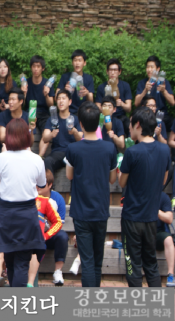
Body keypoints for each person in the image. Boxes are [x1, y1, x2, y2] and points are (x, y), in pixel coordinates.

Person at [65, 102, 118, 287]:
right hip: (101, 210)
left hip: (81, 211)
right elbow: (112, 179)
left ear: (80, 123)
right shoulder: (109, 148)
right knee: (97, 261)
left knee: (87, 261)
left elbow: (69, 176)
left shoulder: (73, 149)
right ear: (99, 123)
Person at [0, 118, 47, 287]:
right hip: (27, 214)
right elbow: (42, 184)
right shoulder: (36, 159)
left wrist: (2, 154)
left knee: (10, 259)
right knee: (22, 262)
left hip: (8, 214)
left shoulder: (3, 157)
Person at [119, 106, 171, 287]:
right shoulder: (164, 150)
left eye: (131, 124)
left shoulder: (132, 152)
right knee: (151, 264)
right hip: (151, 218)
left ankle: (136, 303)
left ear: (138, 125)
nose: (129, 128)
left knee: (132, 265)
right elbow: (163, 180)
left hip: (132, 217)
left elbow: (122, 183)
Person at [26, 178, 62, 288]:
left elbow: (58, 222)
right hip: (18, 239)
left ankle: (30, 284)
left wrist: (45, 236)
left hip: (36, 241)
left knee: (36, 247)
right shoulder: (15, 199)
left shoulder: (43, 201)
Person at [36, 169, 69, 286]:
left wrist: (46, 234)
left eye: (42, 184)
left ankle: (58, 272)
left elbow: (59, 224)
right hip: (34, 234)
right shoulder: (32, 196)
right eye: (36, 183)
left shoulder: (57, 199)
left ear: (50, 185)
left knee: (63, 236)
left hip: (49, 235)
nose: (38, 187)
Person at [42, 89, 83, 173]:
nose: (61, 101)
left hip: (72, 152)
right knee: (48, 161)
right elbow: (45, 138)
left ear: (70, 102)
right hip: (57, 152)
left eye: (63, 98)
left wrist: (74, 132)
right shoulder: (52, 119)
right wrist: (52, 134)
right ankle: (50, 182)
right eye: (59, 99)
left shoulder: (75, 119)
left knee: (81, 161)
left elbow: (80, 139)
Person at [25, 55, 55, 157]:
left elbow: (51, 104)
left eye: (38, 66)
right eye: (34, 66)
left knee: (46, 134)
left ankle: (40, 157)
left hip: (44, 113)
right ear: (31, 67)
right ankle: (28, 156)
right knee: (26, 131)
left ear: (43, 68)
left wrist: (46, 94)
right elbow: (22, 104)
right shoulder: (26, 83)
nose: (36, 69)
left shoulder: (47, 84)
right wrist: (24, 93)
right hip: (29, 112)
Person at [135, 55, 174, 131]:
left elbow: (172, 102)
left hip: (161, 115)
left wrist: (163, 91)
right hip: (146, 114)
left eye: (152, 67)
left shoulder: (164, 82)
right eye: (147, 67)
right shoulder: (142, 83)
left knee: (172, 122)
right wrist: (145, 90)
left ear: (158, 69)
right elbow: (136, 103)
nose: (149, 70)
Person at [95, 58, 132, 136]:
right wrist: (105, 108)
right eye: (110, 70)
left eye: (115, 70)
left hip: (120, 116)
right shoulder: (101, 87)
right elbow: (97, 105)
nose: (112, 72)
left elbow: (129, 108)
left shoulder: (125, 86)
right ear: (107, 71)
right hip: (105, 116)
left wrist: (121, 104)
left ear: (119, 72)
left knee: (128, 124)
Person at [56, 50, 94, 114]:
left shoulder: (88, 78)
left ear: (84, 63)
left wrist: (87, 93)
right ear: (72, 62)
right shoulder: (65, 77)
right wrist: (64, 90)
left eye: (79, 60)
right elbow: (56, 97)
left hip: (83, 112)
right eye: (75, 60)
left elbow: (91, 101)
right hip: (67, 111)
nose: (77, 63)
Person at [155, 192, 175, 287]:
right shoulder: (140, 194)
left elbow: (169, 219)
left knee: (169, 239)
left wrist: (154, 209)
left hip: (158, 232)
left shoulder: (163, 197)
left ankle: (170, 275)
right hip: (142, 231)